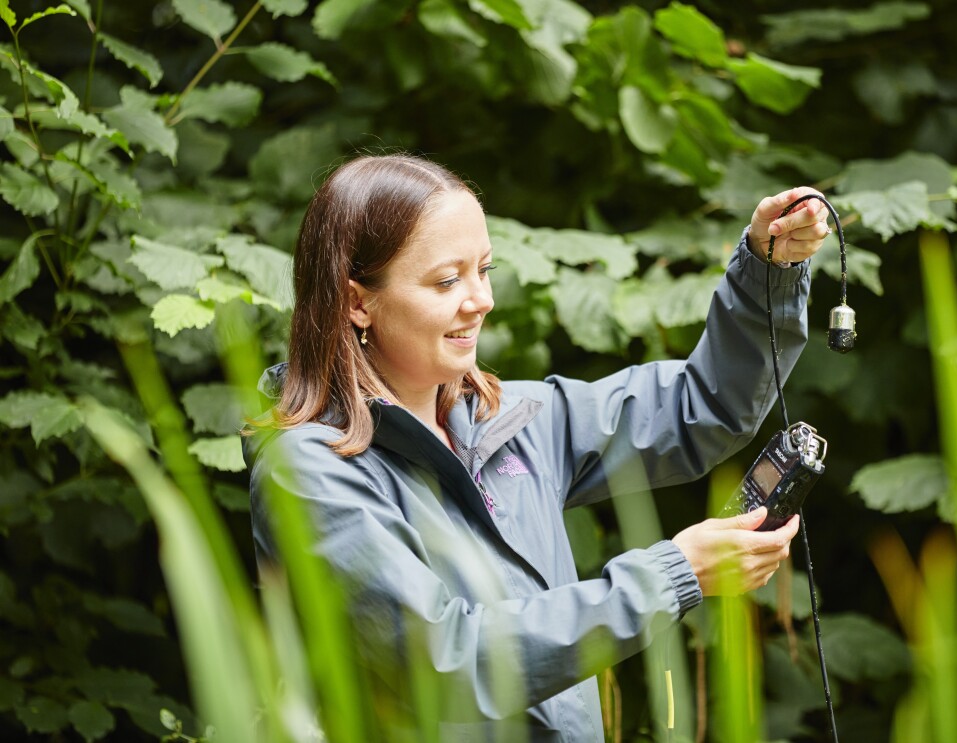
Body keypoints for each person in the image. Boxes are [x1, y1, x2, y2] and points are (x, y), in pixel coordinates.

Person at [244, 153, 830, 741]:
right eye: (447, 280)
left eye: (484, 270)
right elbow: (449, 660)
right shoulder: (310, 470)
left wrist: (768, 269)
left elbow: (704, 405)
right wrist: (673, 574)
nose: (481, 300)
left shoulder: (513, 418)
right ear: (356, 301)